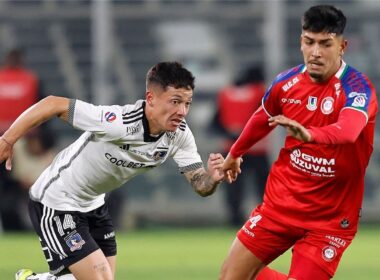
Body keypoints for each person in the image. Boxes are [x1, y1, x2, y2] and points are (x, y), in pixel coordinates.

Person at [0, 62, 225, 280]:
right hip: (56, 201)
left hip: (94, 206)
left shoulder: (179, 135)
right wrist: (8, 139)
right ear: (151, 99)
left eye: (187, 103)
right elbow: (52, 104)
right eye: (175, 101)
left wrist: (212, 178)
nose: (182, 111)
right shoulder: (118, 122)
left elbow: (199, 183)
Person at [220, 5, 377, 280]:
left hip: (329, 220)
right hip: (280, 206)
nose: (316, 52)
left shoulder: (357, 87)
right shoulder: (286, 82)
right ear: (301, 42)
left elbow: (349, 130)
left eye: (325, 44)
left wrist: (310, 134)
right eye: (309, 42)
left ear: (342, 46)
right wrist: (235, 153)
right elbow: (263, 116)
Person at [213, 66, 271, 227]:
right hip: (256, 148)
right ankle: (266, 218)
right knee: (263, 187)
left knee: (234, 187)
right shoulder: (260, 92)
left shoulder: (225, 94)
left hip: (231, 148)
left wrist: (230, 133)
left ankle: (234, 218)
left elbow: (215, 122)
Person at [0, 48, 43, 231]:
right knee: (23, 185)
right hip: (22, 140)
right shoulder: (31, 80)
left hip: (10, 139)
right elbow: (42, 109)